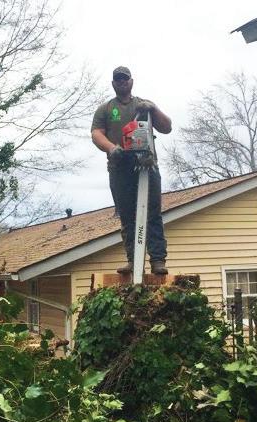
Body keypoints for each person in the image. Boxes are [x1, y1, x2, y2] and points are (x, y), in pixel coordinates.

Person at [91, 66, 172, 275]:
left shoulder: (143, 106)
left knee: (152, 213)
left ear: (131, 82)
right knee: (127, 215)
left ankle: (157, 260)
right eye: (118, 79)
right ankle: (133, 260)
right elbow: (96, 133)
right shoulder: (106, 109)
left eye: (125, 79)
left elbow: (166, 127)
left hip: (146, 163)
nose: (122, 82)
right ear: (113, 84)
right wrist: (111, 148)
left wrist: (153, 109)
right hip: (120, 165)